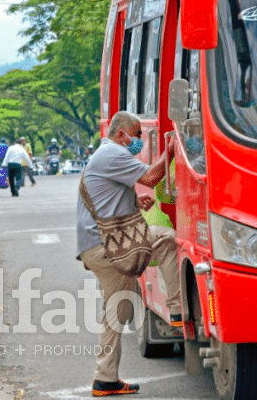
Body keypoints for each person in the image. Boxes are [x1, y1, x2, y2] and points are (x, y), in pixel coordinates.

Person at [76, 111, 180, 396]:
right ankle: (177, 309)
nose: (138, 140)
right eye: (136, 135)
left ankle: (105, 379)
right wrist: (172, 147)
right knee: (167, 239)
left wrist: (134, 199)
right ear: (121, 134)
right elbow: (153, 176)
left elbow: (106, 194)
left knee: (115, 312)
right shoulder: (113, 154)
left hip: (96, 246)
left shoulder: (104, 154)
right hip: (108, 247)